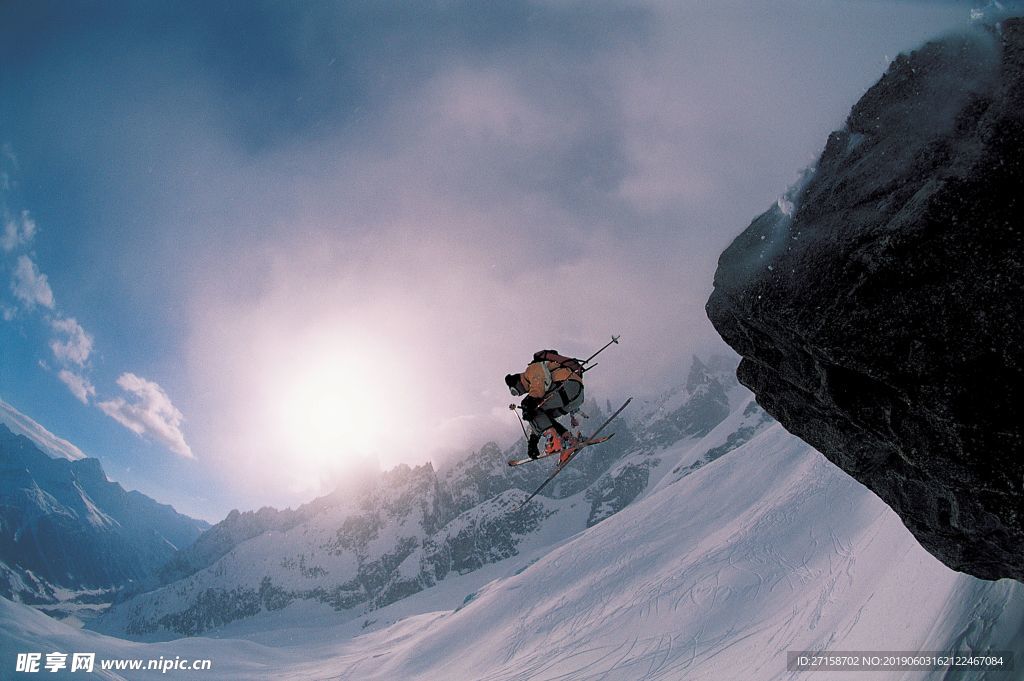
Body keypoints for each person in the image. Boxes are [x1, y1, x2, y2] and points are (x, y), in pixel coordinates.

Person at [505, 350, 585, 461]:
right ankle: (568, 440)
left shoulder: (531, 370)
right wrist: (533, 441)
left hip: (566, 386)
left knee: (527, 406)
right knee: (541, 414)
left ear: (517, 382)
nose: (518, 394)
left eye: (515, 391)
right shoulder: (536, 386)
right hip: (575, 395)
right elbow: (540, 419)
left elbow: (539, 382)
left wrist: (529, 402)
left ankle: (553, 441)